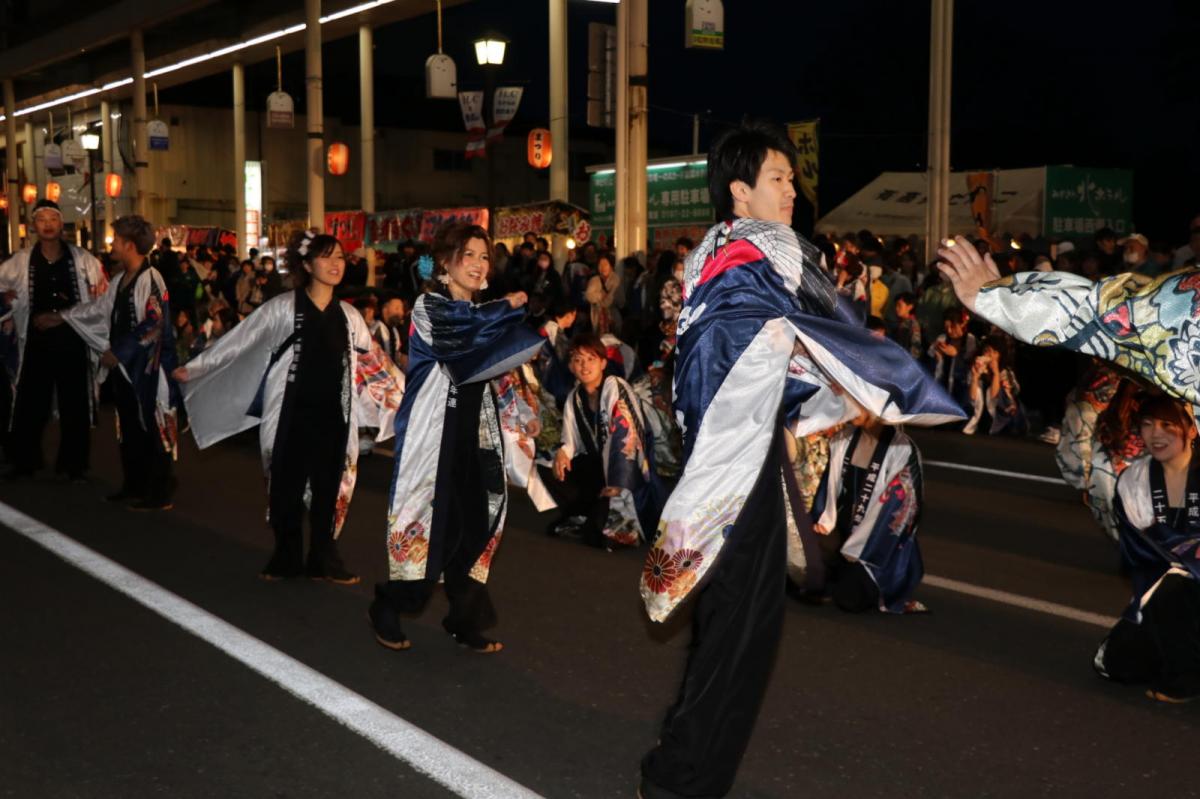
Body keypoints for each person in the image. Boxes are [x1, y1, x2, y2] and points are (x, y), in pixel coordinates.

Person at [636, 120, 962, 799]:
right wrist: (896, 378)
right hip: (741, 457)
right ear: (740, 191)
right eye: (778, 178)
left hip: (717, 451)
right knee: (743, 629)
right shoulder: (771, 248)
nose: (792, 190)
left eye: (791, 177)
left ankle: (681, 760)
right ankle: (681, 778)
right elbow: (834, 325)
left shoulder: (711, 255)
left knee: (727, 620)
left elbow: (759, 347)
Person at [173, 229, 404, 583]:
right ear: (307, 264)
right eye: (327, 256)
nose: (336, 264)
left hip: (335, 417)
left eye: (340, 257)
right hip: (289, 416)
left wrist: (409, 397)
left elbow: (376, 363)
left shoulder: (349, 316)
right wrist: (195, 367)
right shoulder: (281, 308)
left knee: (330, 491)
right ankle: (286, 556)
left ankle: (324, 559)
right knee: (286, 489)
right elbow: (239, 340)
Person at [370, 222, 544, 654]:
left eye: (485, 257)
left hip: (475, 436)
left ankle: (464, 619)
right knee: (433, 530)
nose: (479, 264)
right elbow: (464, 334)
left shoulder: (484, 315)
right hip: (435, 439)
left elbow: (499, 375)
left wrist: (522, 414)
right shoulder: (431, 308)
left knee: (478, 525)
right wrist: (506, 306)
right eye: (469, 255)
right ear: (446, 261)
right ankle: (389, 604)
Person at [43, 215, 179, 509]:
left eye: (116, 239)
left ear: (130, 245)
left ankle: (159, 491)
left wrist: (119, 351)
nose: (112, 244)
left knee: (154, 427)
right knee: (129, 427)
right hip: (126, 371)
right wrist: (61, 317)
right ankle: (134, 484)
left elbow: (155, 323)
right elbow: (97, 309)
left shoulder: (151, 279)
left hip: (149, 371)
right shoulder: (119, 281)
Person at [1093, 395, 1200, 703]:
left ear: (1192, 430)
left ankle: (1187, 679)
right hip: (1162, 588)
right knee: (1116, 664)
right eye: (1148, 424)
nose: (1156, 434)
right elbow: (1139, 554)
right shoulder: (1133, 481)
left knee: (1175, 585)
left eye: (1168, 425)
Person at [0, 199, 107, 481]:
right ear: (34, 225)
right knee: (30, 401)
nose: (48, 224)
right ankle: (26, 459)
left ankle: (74, 464)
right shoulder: (21, 261)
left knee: (75, 403)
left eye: (53, 219)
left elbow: (100, 300)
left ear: (62, 224)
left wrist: (62, 316)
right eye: (42, 219)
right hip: (35, 341)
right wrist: (6, 297)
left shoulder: (84, 261)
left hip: (72, 340)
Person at [548, 333, 664, 548]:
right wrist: (563, 452)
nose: (584, 366)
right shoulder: (574, 397)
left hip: (627, 473)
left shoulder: (615, 386)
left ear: (603, 362)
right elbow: (570, 438)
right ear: (571, 366)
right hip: (599, 469)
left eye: (591, 359)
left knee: (599, 536)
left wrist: (618, 482)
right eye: (578, 360)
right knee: (549, 467)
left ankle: (602, 515)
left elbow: (626, 435)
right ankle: (587, 511)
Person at [806, 408, 927, 614]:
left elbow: (900, 512)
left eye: (858, 402)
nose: (850, 408)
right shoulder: (842, 439)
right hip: (842, 532)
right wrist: (821, 522)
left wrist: (858, 547)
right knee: (800, 556)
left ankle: (850, 577)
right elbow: (828, 490)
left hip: (877, 544)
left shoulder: (902, 449)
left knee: (850, 598)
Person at [963, 334, 1028, 436]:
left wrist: (996, 373)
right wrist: (975, 377)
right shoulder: (976, 369)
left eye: (995, 352)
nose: (990, 355)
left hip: (1000, 421)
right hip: (978, 420)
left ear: (1000, 355)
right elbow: (972, 398)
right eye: (987, 350)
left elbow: (994, 396)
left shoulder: (1005, 373)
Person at [928, 306, 977, 416]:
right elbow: (931, 362)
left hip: (962, 386)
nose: (949, 330)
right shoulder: (942, 339)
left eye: (953, 327)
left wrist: (956, 355)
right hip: (943, 384)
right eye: (947, 327)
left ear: (962, 324)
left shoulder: (970, 340)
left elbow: (970, 365)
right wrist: (938, 358)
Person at [585, 252, 622, 336]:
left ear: (611, 266)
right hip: (597, 318)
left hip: (613, 318)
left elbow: (617, 302)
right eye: (600, 265)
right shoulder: (594, 280)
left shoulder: (616, 280)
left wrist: (599, 297)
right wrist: (601, 295)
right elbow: (589, 296)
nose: (603, 268)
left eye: (605, 264)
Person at [888, 291, 922, 360]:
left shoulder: (913, 325)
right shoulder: (901, 322)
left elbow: (915, 349)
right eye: (896, 305)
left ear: (910, 307)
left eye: (899, 305)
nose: (896, 308)